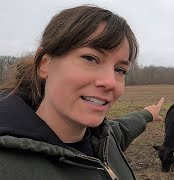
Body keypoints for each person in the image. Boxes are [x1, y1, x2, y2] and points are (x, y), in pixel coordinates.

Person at [0, 5, 164, 180]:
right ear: (45, 64)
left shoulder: (102, 139)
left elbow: (121, 130)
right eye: (90, 58)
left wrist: (147, 114)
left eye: (120, 70)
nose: (110, 82)